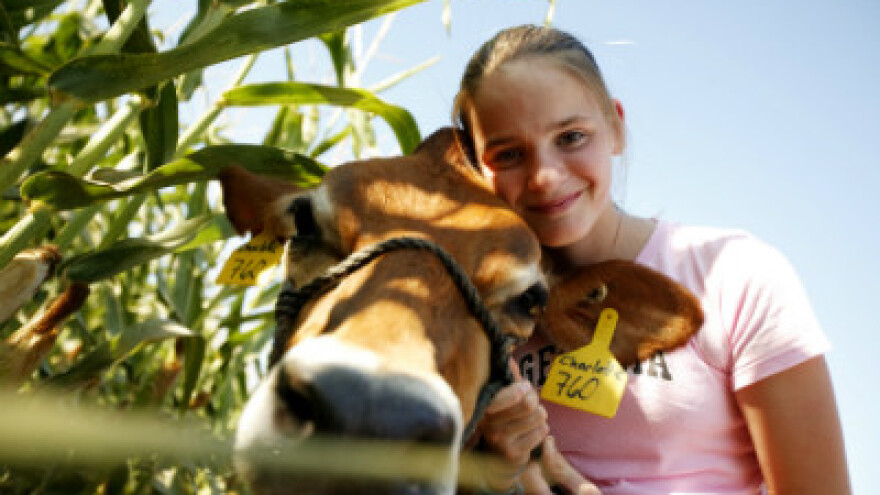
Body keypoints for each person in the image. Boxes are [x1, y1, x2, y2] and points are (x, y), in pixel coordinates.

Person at [452, 25, 851, 495]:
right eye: (510, 154)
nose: (544, 176)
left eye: (571, 136)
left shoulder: (733, 275)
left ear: (616, 127)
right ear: (476, 167)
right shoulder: (470, 317)